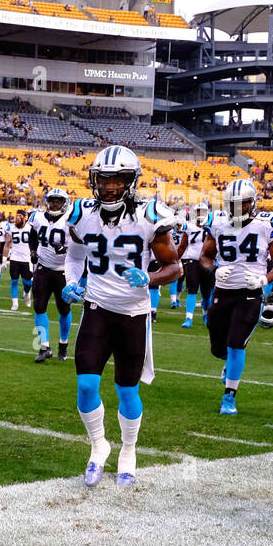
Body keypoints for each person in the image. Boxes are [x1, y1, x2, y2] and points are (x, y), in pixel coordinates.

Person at [62, 146, 181, 486]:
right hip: (97, 309)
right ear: (94, 180)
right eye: (104, 180)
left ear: (131, 182)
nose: (110, 187)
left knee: (127, 390)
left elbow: (175, 266)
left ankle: (129, 450)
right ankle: (98, 446)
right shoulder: (81, 214)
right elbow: (73, 256)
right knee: (86, 385)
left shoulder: (148, 215)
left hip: (133, 314)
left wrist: (150, 277)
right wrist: (72, 282)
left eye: (118, 181)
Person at [200, 179, 273, 416]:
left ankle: (229, 396)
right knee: (218, 348)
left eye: (243, 204)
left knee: (236, 343)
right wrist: (214, 269)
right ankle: (228, 363)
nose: (237, 209)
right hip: (223, 290)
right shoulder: (217, 223)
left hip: (250, 293)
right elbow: (205, 256)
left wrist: (265, 279)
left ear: (253, 203)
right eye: (232, 204)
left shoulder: (267, 225)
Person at [29, 187, 73, 362]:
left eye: (58, 201)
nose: (54, 203)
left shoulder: (71, 220)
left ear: (64, 203)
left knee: (64, 309)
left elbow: (80, 244)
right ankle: (44, 346)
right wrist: (32, 251)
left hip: (63, 270)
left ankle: (63, 344)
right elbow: (33, 237)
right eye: (52, 200)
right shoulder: (38, 217)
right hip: (43, 268)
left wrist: (66, 249)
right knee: (39, 307)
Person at [180, 201, 214, 328]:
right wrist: (176, 259)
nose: (200, 214)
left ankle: (205, 314)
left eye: (202, 212)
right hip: (192, 261)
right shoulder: (189, 226)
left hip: (208, 262)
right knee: (192, 289)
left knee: (206, 293)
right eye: (198, 211)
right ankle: (189, 318)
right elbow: (183, 245)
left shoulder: (212, 227)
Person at [3, 208, 34, 311]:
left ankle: (26, 293)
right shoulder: (11, 228)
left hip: (27, 259)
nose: (17, 218)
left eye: (20, 216)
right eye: (17, 216)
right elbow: (7, 244)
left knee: (27, 283)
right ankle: (15, 302)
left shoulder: (30, 228)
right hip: (15, 258)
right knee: (14, 281)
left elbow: (35, 244)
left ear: (25, 218)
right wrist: (4, 259)